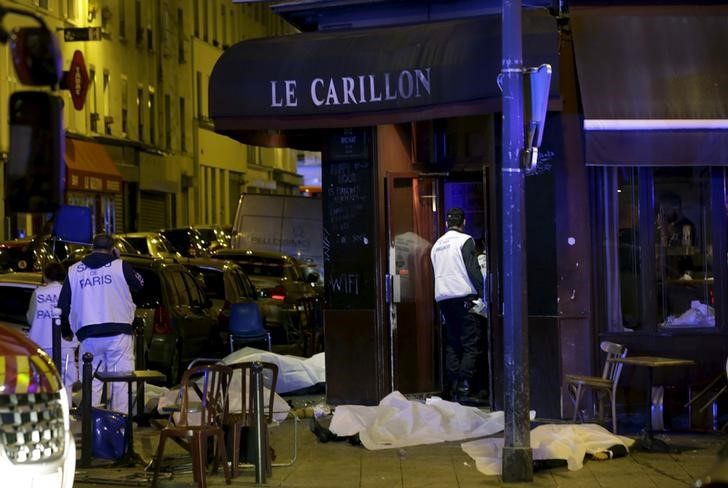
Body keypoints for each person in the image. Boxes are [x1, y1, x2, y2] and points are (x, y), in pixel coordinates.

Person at [58, 233, 144, 413]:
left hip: (89, 337)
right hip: (119, 335)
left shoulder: (74, 271)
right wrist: (118, 261)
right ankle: (119, 427)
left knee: (91, 385)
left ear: (92, 248)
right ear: (113, 249)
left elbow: (62, 306)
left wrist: (66, 331)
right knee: (120, 385)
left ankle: (92, 428)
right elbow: (139, 285)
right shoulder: (120, 266)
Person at [430, 208, 485, 404]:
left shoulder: (436, 245)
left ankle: (453, 386)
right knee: (471, 343)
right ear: (464, 222)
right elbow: (473, 269)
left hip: (443, 298)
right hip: (463, 296)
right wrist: (484, 292)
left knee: (453, 342)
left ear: (446, 223)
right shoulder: (465, 240)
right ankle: (465, 387)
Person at [26, 262, 79, 395]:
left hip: (41, 344)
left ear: (45, 276)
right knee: (66, 382)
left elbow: (30, 318)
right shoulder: (69, 291)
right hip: (65, 345)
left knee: (43, 382)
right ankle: (65, 411)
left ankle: (46, 412)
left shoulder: (38, 293)